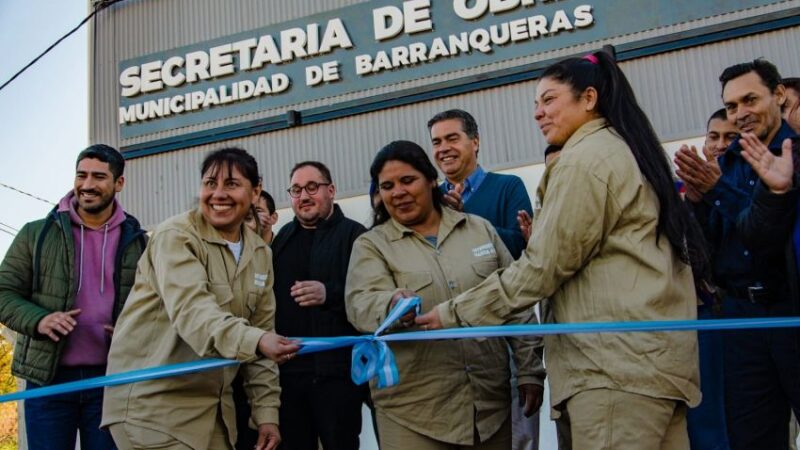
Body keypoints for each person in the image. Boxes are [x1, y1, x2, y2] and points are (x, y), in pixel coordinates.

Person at [418, 51, 709, 449]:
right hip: (649, 368)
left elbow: (541, 268)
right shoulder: (623, 150)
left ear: (588, 98)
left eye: (549, 99)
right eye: (535, 104)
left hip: (612, 373)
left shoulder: (584, 161)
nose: (538, 113)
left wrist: (451, 313)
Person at [346, 140, 545, 450]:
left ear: (431, 180)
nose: (397, 192)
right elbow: (360, 303)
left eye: (407, 180)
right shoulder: (372, 246)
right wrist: (391, 305)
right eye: (387, 186)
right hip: (414, 413)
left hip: (490, 408)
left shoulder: (480, 230)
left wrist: (531, 370)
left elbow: (514, 302)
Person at [101, 147, 299, 450]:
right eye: (210, 183)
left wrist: (266, 413)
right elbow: (195, 313)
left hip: (214, 412)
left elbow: (262, 336)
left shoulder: (260, 254)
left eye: (231, 184)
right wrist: (257, 340)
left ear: (255, 189)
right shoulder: (175, 236)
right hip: (152, 411)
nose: (218, 194)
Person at [674, 59, 800, 449]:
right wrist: (696, 203)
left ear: (778, 95)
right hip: (740, 320)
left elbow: (766, 234)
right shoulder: (723, 167)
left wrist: (717, 192)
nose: (741, 114)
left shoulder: (794, 156)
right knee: (752, 438)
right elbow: (710, 248)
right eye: (731, 107)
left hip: (791, 312)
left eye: (750, 100)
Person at [0, 144, 146, 450]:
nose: (87, 185)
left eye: (99, 177)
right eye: (81, 175)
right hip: (48, 380)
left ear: (119, 183)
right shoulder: (35, 234)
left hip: (111, 380)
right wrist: (39, 320)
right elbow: (3, 293)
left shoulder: (138, 241)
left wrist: (132, 332)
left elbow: (155, 307)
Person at [271, 161, 367, 450]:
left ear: (331, 191)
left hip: (338, 376)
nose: (304, 196)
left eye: (312, 187)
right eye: (296, 190)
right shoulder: (282, 240)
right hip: (291, 377)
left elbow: (369, 295)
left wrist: (330, 294)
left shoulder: (356, 236)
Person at [428, 109, 533, 259]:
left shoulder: (509, 187)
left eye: (452, 139)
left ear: (475, 142)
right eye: (436, 142)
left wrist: (463, 219)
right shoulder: (431, 200)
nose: (443, 148)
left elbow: (520, 246)